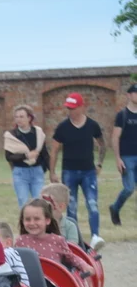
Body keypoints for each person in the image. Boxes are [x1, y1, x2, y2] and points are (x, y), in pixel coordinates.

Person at [48, 92, 106, 251]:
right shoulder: (63, 127)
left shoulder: (92, 125)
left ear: (81, 107)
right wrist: (52, 171)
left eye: (73, 108)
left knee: (92, 204)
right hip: (69, 172)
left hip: (89, 172)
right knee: (71, 207)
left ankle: (95, 236)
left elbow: (102, 144)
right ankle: (75, 241)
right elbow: (54, 150)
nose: (70, 111)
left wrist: (99, 163)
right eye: (68, 108)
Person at [14, 199, 93, 274]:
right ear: (23, 221)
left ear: (47, 220)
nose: (32, 223)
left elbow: (71, 258)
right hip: (28, 285)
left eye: (37, 219)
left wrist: (84, 266)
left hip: (55, 283)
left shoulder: (57, 240)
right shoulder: (20, 241)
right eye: (28, 219)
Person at [4, 104, 47, 207]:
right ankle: (24, 222)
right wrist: (26, 156)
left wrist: (45, 169)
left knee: (39, 202)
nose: (18, 119)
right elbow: (8, 156)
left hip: (37, 172)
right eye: (16, 117)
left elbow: (44, 153)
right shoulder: (11, 135)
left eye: (22, 116)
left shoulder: (38, 132)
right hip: (20, 172)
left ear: (29, 118)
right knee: (23, 201)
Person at [108, 83, 137, 226]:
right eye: (136, 93)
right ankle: (115, 208)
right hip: (127, 158)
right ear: (129, 95)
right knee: (129, 188)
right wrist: (118, 159)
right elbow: (115, 137)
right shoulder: (122, 115)